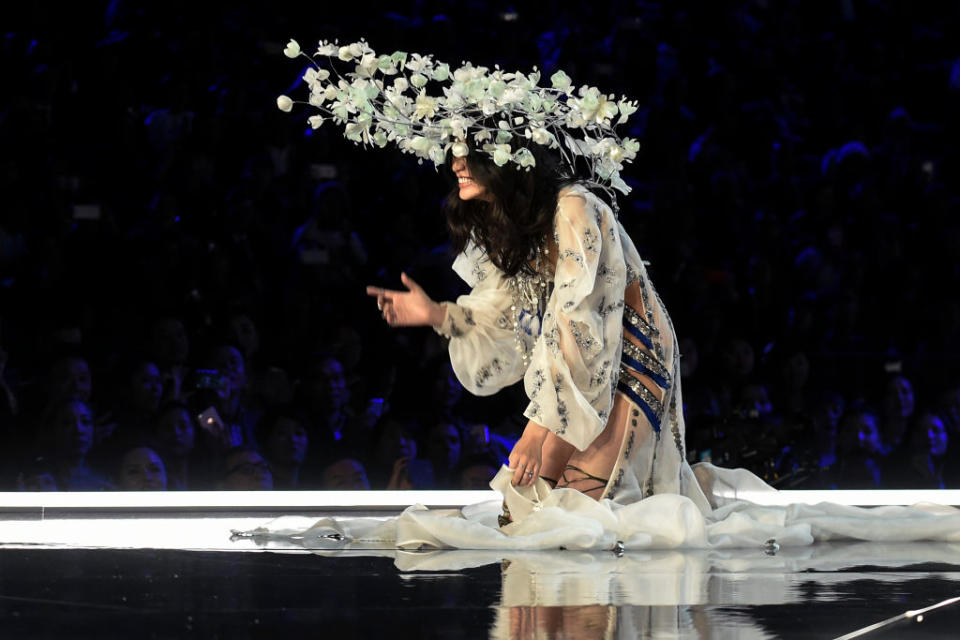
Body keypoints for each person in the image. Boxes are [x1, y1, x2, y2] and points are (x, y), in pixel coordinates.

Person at [368, 144, 686, 509]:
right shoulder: (508, 220)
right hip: (578, 368)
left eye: (467, 154)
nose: (456, 165)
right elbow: (508, 312)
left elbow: (579, 321)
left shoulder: (574, 207)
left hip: (629, 354)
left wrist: (536, 431)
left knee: (588, 508)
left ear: (502, 154)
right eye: (453, 154)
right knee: (523, 509)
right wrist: (437, 315)